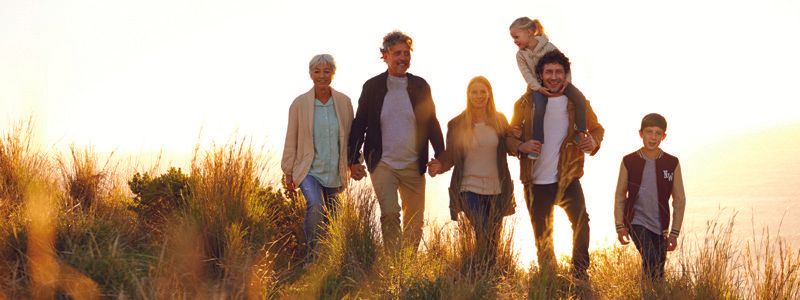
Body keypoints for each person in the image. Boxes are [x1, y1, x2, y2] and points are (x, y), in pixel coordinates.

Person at [508, 50, 604, 280]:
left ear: (566, 75)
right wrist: (522, 146)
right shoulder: (525, 102)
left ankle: (579, 273)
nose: (553, 76)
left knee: (582, 223)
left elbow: (597, 129)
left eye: (558, 72)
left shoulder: (577, 103)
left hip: (568, 176)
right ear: (540, 75)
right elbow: (509, 138)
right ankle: (548, 277)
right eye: (549, 72)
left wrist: (594, 141)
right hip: (535, 181)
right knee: (543, 234)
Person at [347, 31, 444, 252]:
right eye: (397, 53)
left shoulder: (420, 86)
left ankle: (406, 268)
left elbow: (431, 122)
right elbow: (360, 124)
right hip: (383, 163)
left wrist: (441, 157)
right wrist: (352, 160)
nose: (403, 58)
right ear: (385, 56)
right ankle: (393, 263)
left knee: (415, 223)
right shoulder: (372, 87)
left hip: (413, 164)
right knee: (390, 213)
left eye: (406, 53)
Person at [427, 76, 515, 259]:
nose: (479, 96)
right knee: (483, 229)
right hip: (468, 188)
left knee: (492, 237)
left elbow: (511, 146)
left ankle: (484, 276)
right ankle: (479, 271)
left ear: (489, 94)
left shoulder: (500, 120)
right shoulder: (457, 123)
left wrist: (521, 140)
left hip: (497, 189)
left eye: (483, 91)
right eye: (474, 92)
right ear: (468, 95)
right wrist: (439, 165)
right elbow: (451, 153)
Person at [281, 54, 354, 261]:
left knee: (334, 217)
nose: (322, 75)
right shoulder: (299, 104)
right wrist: (288, 171)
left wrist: (354, 163)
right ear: (310, 74)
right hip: (308, 170)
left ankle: (331, 259)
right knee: (316, 205)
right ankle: (312, 257)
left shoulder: (344, 102)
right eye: (317, 71)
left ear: (333, 73)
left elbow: (350, 137)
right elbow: (291, 138)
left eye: (327, 71)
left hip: (334, 171)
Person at [614, 113, 686, 281]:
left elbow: (679, 199)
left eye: (658, 133)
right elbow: (620, 195)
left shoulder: (671, 162)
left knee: (657, 272)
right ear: (641, 134)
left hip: (661, 227)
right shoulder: (629, 161)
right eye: (649, 132)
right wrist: (620, 225)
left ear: (664, 136)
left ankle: (648, 294)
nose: (653, 137)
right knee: (651, 258)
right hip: (636, 222)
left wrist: (674, 233)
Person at [509, 17, 589, 159]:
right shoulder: (520, 55)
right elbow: (527, 75)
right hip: (537, 86)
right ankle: (537, 143)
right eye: (512, 38)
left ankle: (579, 132)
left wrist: (567, 82)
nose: (514, 40)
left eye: (516, 36)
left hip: (561, 83)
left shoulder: (548, 46)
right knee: (539, 107)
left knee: (580, 99)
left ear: (529, 32)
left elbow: (565, 64)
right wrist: (538, 89)